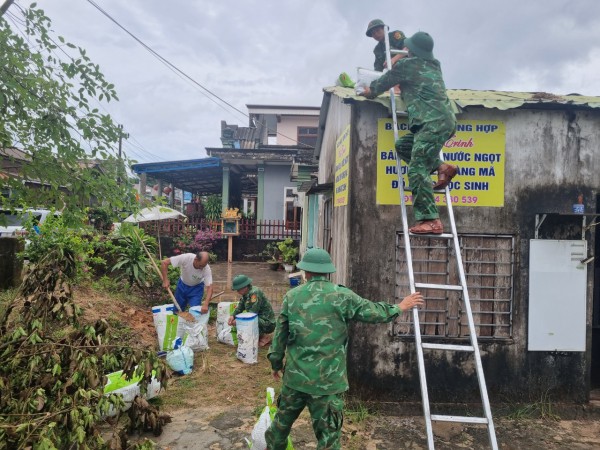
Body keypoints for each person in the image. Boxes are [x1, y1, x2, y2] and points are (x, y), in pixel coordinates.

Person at [265, 248, 424, 450]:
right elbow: (374, 312)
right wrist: (400, 307)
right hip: (328, 384)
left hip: (295, 380)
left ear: (306, 272)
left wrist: (276, 364)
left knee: (279, 428)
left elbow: (280, 337)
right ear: (327, 272)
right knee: (329, 439)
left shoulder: (292, 297)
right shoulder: (343, 296)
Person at [359, 31, 458, 235]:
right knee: (403, 146)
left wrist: (366, 91)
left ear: (410, 49)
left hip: (431, 123)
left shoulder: (407, 66)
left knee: (416, 169)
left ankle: (431, 220)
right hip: (444, 121)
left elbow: (379, 86)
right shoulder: (434, 65)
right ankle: (443, 167)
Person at [228, 274, 276, 347]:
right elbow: (240, 307)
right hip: (259, 319)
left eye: (238, 289)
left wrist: (239, 321)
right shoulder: (245, 294)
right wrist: (233, 316)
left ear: (244, 287)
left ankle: (263, 336)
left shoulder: (254, 293)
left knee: (249, 323)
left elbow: (252, 314)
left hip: (267, 322)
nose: (237, 291)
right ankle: (259, 337)